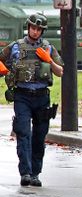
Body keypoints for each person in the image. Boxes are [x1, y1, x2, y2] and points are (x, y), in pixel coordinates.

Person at [0, 13, 64, 187]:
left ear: (42, 31)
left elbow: (60, 72)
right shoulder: (15, 47)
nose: (35, 32)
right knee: (23, 134)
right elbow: (1, 61)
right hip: (22, 96)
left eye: (38, 29)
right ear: (28, 27)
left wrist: (49, 60)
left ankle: (35, 173)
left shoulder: (48, 47)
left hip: (42, 97)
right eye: (33, 28)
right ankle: (25, 173)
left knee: (39, 136)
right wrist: (5, 71)